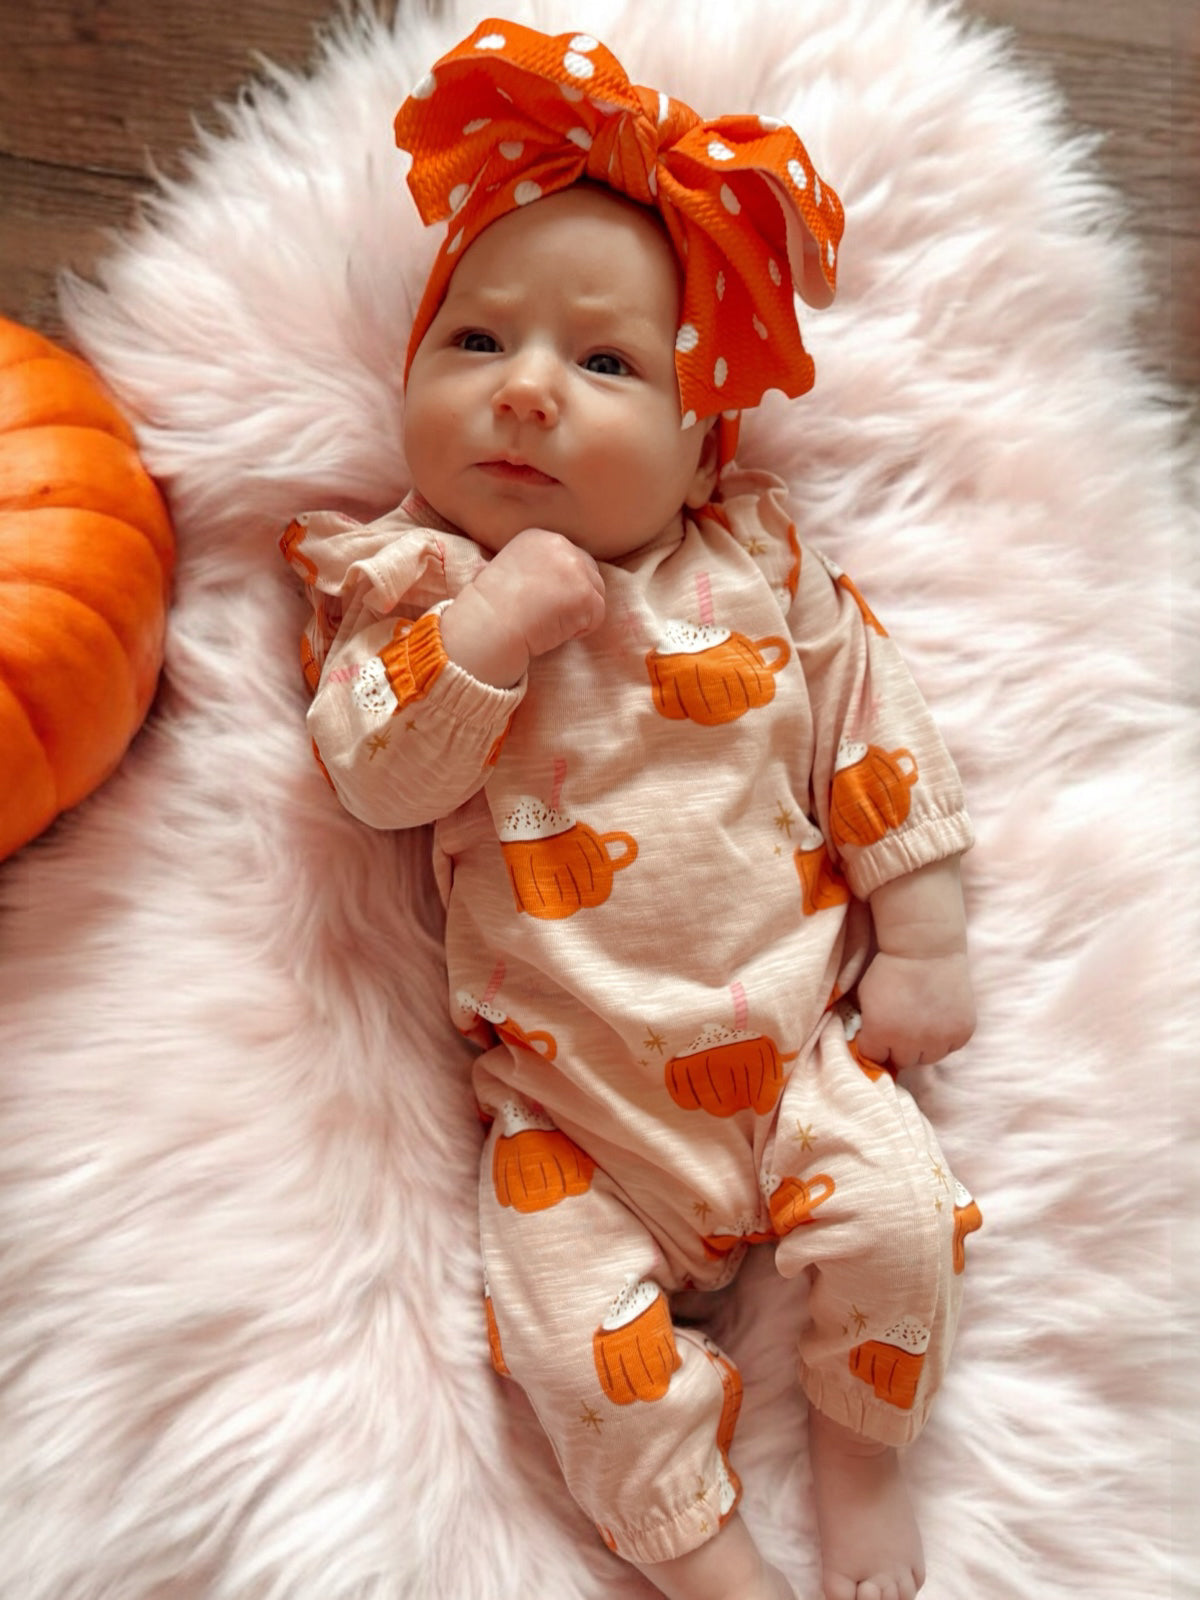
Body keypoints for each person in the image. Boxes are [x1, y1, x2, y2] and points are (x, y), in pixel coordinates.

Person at [282, 20, 982, 1600]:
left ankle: (864, 1455)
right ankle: (705, 1556)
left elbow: (875, 723)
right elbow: (372, 770)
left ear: (699, 439)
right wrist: (487, 638)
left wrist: (922, 930)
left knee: (903, 1222)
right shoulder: (412, 585)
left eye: (603, 365)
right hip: (572, 1125)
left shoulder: (754, 564)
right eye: (475, 344)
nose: (527, 390)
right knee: (562, 1343)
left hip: (800, 1054)